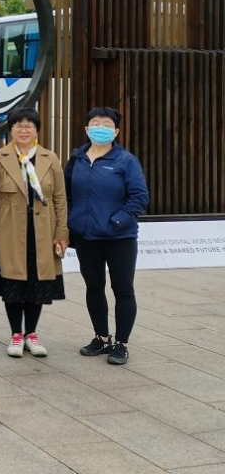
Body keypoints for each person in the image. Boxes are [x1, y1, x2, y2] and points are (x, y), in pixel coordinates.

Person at [66, 106, 149, 366]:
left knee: (123, 289)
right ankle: (101, 338)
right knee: (94, 287)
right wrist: (70, 224)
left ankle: (121, 344)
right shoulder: (76, 159)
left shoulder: (126, 161)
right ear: (86, 129)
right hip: (86, 237)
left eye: (106, 124)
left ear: (116, 131)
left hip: (119, 237)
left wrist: (117, 222)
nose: (100, 128)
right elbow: (66, 196)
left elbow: (139, 197)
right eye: (95, 123)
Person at [0, 108, 69, 358]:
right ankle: (15, 335)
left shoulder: (50, 158)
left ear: (37, 130)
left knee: (37, 284)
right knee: (13, 283)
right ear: (10, 130)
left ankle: (31, 333)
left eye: (29, 125)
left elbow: (60, 198)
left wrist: (61, 232)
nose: (24, 130)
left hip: (42, 233)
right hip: (9, 233)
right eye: (18, 125)